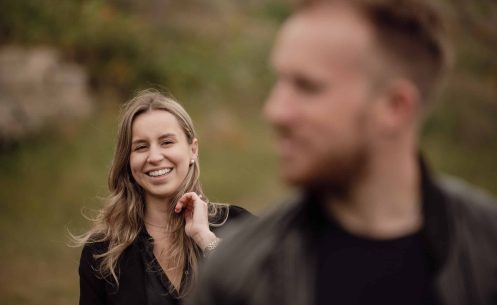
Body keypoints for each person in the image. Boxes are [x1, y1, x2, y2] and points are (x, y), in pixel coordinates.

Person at [186, 1, 497, 305]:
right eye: (279, 82)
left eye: (307, 87)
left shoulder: (487, 251)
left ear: (394, 107)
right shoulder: (236, 276)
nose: (275, 111)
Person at [74, 89, 253, 305]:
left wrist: (207, 240)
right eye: (141, 147)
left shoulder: (238, 225)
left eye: (167, 142)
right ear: (128, 161)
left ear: (192, 150)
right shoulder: (102, 252)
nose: (155, 157)